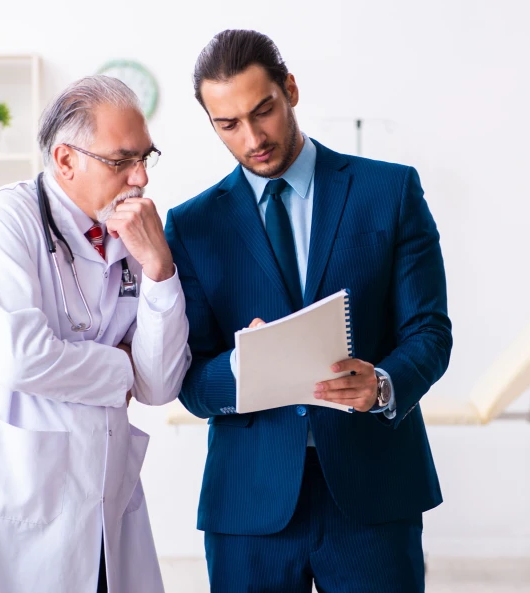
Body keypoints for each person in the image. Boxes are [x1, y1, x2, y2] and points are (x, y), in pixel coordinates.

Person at [166, 29, 452, 593]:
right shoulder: (192, 226)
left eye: (263, 111)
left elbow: (429, 330)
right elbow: (192, 381)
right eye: (229, 125)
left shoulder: (389, 191)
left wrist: (384, 384)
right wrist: (241, 367)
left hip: (373, 492)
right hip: (250, 503)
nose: (253, 138)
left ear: (290, 90)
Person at [0, 75, 191, 593]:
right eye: (121, 161)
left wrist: (159, 267)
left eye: (147, 156)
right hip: (16, 498)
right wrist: (124, 368)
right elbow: (20, 359)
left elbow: (161, 385)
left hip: (104, 497)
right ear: (66, 160)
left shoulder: (135, 238)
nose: (140, 177)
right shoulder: (1, 223)